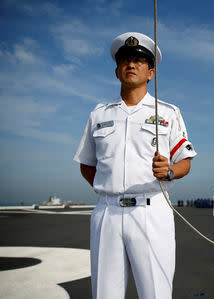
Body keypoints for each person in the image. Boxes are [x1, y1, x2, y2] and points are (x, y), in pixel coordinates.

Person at [73, 32, 197, 299]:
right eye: (126, 60)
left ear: (150, 73)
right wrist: (110, 187)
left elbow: (184, 161)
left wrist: (170, 170)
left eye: (139, 61)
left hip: (151, 211)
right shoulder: (99, 114)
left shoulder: (168, 113)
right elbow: (87, 165)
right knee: (105, 294)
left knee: (156, 293)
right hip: (107, 214)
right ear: (117, 71)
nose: (131, 65)